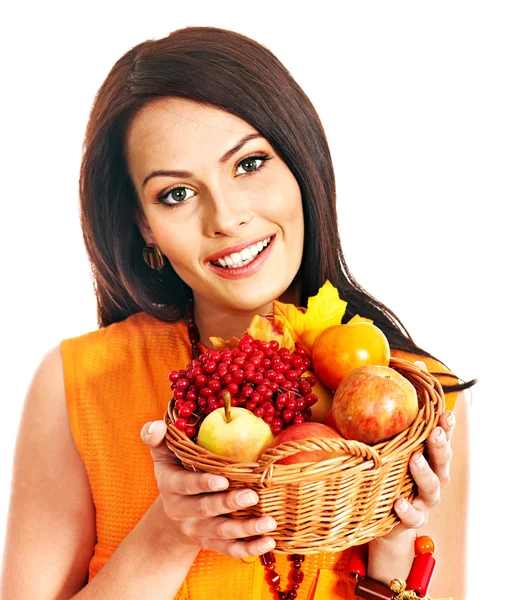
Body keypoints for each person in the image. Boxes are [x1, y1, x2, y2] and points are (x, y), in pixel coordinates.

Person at [0, 26, 475, 600]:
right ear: (144, 226)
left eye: (249, 164)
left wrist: (391, 545)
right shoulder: (79, 384)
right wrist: (172, 531)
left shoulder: (421, 397)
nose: (225, 218)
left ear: (301, 164)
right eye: (176, 194)